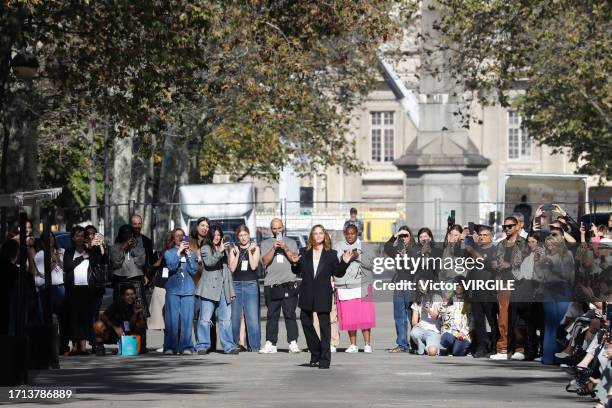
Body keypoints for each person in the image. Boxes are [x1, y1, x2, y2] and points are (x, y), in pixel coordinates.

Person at [294, 224, 351, 369]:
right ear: (311, 236)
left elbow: (337, 272)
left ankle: (324, 359)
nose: (318, 236)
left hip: (323, 293)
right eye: (315, 233)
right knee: (306, 322)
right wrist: (294, 263)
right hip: (307, 293)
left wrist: (344, 262)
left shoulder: (331, 254)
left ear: (324, 235)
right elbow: (297, 270)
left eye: (321, 233)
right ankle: (316, 352)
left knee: (325, 327)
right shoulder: (304, 252)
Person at [259, 218, 301, 354]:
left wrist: (285, 247)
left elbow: (295, 258)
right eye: (274, 228)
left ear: (283, 227)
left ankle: (293, 342)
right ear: (271, 229)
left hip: (289, 282)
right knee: (272, 314)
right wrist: (274, 248)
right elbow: (264, 261)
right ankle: (271, 343)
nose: (277, 231)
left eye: (279, 228)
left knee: (290, 314)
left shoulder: (292, 242)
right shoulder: (265, 243)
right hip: (271, 284)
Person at [195, 226, 238, 355]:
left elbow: (227, 271)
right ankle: (202, 345)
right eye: (215, 234)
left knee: (226, 320)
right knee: (205, 319)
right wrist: (220, 251)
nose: (217, 237)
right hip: (209, 289)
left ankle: (229, 346)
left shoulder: (224, 249)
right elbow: (209, 263)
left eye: (219, 235)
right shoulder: (205, 248)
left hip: (223, 289)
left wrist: (231, 291)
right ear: (210, 236)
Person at [333, 224, 376, 353]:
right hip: (345, 286)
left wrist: (358, 256)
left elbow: (371, 264)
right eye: (348, 233)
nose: (350, 236)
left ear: (357, 233)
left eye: (353, 233)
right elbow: (336, 262)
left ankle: (367, 344)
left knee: (365, 316)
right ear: (344, 234)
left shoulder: (365, 246)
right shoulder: (339, 246)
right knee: (350, 316)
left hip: (363, 285)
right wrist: (345, 257)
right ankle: (353, 345)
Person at [63, 226, 105, 355]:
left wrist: (100, 246)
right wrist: (83, 257)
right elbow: (68, 266)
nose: (80, 238)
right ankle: (75, 346)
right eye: (77, 236)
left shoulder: (90, 250)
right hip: (73, 289)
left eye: (82, 235)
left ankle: (84, 346)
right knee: (74, 318)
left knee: (86, 318)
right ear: (73, 238)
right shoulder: (69, 252)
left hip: (87, 288)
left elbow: (101, 261)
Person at [490, 216, 527, 360]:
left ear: (517, 226)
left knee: (517, 318)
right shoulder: (500, 244)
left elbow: (527, 263)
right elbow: (494, 259)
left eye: (510, 226)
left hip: (519, 283)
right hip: (503, 283)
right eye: (505, 226)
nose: (507, 228)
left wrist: (510, 265)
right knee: (503, 317)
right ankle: (503, 349)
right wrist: (495, 264)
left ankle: (519, 348)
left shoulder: (524, 243)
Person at [27, 232, 69, 355]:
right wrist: (53, 261)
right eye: (47, 238)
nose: (50, 240)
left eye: (52, 237)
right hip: (47, 289)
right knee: (46, 318)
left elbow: (67, 268)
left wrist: (59, 261)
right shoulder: (40, 254)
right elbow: (43, 272)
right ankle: (48, 347)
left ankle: (63, 346)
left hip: (61, 287)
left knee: (63, 319)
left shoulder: (62, 251)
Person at [465, 225, 499, 358]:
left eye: (485, 235)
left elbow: (489, 264)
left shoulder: (495, 250)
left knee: (492, 320)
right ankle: (481, 347)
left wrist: (473, 251)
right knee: (478, 321)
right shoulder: (475, 249)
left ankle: (495, 346)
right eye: (481, 234)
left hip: (489, 291)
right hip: (475, 290)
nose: (482, 237)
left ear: (491, 237)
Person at [540, 234, 574, 365]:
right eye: (548, 244)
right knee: (549, 324)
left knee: (560, 322)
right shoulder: (545, 256)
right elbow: (539, 275)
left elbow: (566, 274)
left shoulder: (567, 255)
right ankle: (548, 357)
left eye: (552, 244)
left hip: (563, 289)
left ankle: (559, 355)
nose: (550, 247)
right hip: (548, 290)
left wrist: (552, 264)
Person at [163, 227, 197, 355]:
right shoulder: (169, 253)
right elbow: (171, 266)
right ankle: (170, 347)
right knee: (171, 320)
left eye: (182, 235)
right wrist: (179, 253)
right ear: (173, 238)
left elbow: (193, 270)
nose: (180, 237)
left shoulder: (191, 253)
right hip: (173, 289)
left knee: (187, 320)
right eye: (177, 235)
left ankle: (186, 346)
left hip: (188, 289)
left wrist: (188, 255)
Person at [384, 226, 418, 353]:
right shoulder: (396, 250)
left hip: (411, 285)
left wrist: (406, 252)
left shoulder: (415, 249)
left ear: (410, 237)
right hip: (399, 285)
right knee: (399, 316)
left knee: (412, 315)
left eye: (406, 235)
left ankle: (415, 344)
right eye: (401, 236)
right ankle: (402, 344)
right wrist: (395, 235)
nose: (404, 238)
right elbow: (386, 247)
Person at [228, 224, 261, 352]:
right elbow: (232, 268)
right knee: (235, 317)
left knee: (252, 317)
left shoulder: (255, 249)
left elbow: (253, 266)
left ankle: (254, 346)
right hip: (236, 284)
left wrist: (248, 251)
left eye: (245, 235)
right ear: (238, 237)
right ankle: (234, 344)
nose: (243, 238)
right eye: (240, 235)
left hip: (251, 284)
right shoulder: (233, 250)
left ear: (249, 235)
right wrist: (236, 255)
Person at [93, 284, 146, 356]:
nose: (130, 297)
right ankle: (99, 347)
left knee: (141, 323)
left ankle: (137, 346)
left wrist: (135, 313)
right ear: (122, 296)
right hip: (115, 332)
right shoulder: (117, 303)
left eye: (132, 294)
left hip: (130, 333)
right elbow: (103, 316)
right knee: (98, 325)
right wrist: (115, 327)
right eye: (127, 295)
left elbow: (134, 325)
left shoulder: (137, 305)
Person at [410, 274, 443, 356]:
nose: (422, 287)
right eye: (419, 286)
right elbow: (414, 321)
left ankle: (424, 348)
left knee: (432, 352)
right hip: (421, 330)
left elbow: (435, 317)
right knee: (414, 333)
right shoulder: (417, 300)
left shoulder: (437, 298)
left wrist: (429, 310)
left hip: (433, 331)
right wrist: (416, 324)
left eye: (424, 285)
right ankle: (420, 345)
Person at [440, 278, 471, 356]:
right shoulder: (450, 301)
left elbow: (472, 321)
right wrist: (445, 303)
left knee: (456, 352)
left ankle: (464, 348)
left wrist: (463, 332)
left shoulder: (469, 302)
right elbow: (444, 319)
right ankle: (453, 347)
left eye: (460, 285)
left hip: (464, 334)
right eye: (456, 285)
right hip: (452, 332)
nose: (458, 287)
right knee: (445, 338)